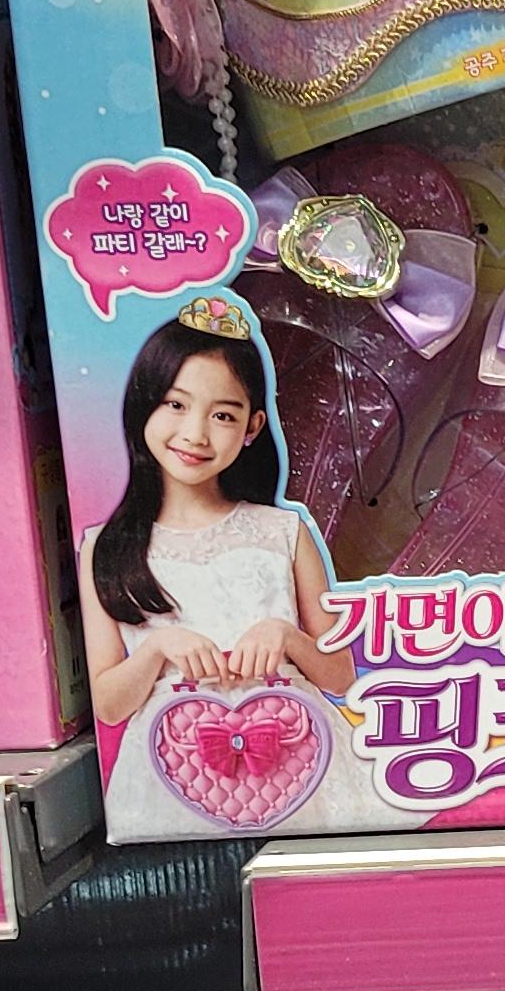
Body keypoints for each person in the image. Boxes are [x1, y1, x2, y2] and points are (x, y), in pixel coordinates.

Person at [83, 308, 383, 838]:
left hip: (301, 753)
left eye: (222, 415)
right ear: (143, 404)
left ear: (253, 427)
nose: (195, 434)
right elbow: (108, 705)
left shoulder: (282, 531)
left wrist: (285, 636)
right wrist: (157, 648)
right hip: (165, 768)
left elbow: (341, 676)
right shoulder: (104, 547)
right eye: (176, 404)